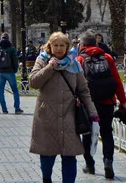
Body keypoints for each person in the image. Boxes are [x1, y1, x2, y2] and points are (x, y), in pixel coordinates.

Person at [29, 31, 98, 183]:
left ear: (67, 47)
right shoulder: (42, 60)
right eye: (56, 45)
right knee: (47, 154)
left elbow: (83, 91)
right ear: (50, 46)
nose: (59, 49)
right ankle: (46, 178)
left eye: (62, 45)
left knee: (69, 155)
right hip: (47, 115)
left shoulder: (74, 64)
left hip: (69, 115)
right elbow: (33, 82)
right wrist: (49, 68)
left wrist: (92, 112)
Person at [77, 29, 126, 179]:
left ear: (83, 44)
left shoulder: (80, 59)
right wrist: (122, 102)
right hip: (107, 102)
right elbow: (117, 82)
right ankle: (108, 162)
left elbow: (77, 84)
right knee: (106, 132)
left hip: (88, 104)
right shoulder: (107, 58)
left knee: (87, 133)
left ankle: (90, 164)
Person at [0, 37, 22, 114]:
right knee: (15, 90)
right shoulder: (12, 49)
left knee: (1, 91)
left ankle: (4, 109)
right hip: (10, 72)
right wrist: (15, 69)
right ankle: (17, 108)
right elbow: (15, 60)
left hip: (0, 72)